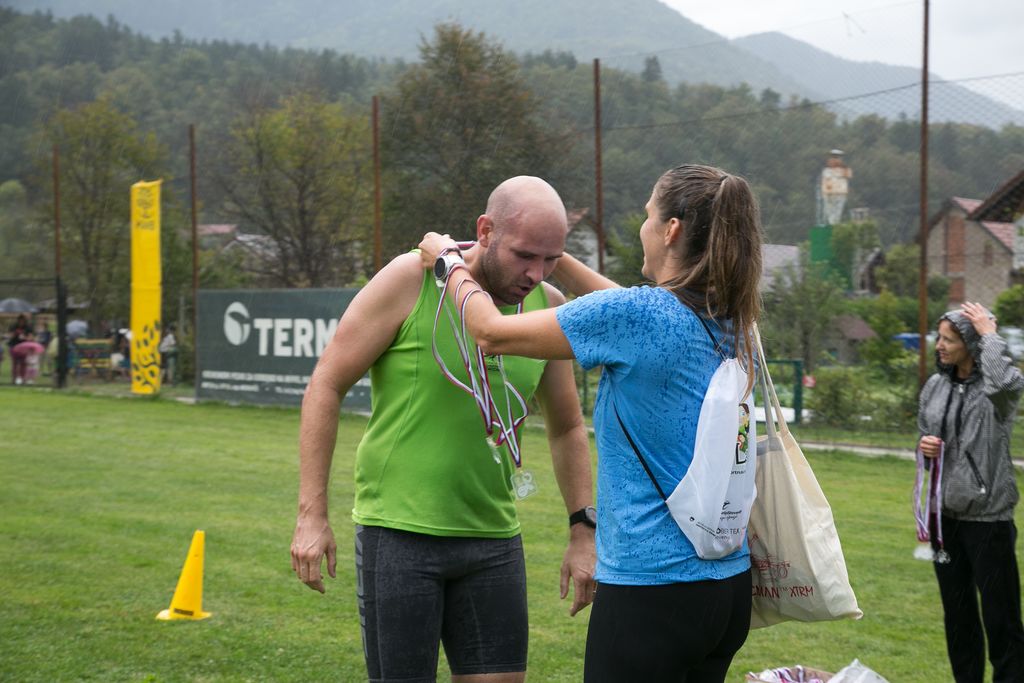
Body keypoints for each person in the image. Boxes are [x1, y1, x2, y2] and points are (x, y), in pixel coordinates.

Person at [419, 164, 762, 682]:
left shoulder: (641, 317)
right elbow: (621, 308)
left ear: (671, 230)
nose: (642, 228)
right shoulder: (730, 319)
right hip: (727, 588)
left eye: (647, 216)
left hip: (653, 591)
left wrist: (448, 262)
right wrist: (551, 256)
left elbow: (490, 332)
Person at [290, 176, 596, 683]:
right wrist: (311, 515)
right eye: (524, 255)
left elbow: (566, 428)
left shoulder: (548, 304)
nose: (534, 273)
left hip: (494, 540)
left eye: (550, 259)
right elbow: (327, 383)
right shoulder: (409, 279)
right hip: (400, 534)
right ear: (486, 230)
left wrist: (583, 530)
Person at [918, 303, 1024, 683]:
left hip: (988, 520)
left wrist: (990, 334)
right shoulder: (936, 386)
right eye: (939, 338)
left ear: (971, 344)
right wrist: (925, 447)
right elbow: (925, 435)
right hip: (944, 520)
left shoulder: (998, 394)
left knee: (1001, 618)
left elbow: (1007, 383)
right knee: (958, 616)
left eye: (949, 339)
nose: (940, 346)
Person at [7, 314, 32, 384]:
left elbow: (30, 337)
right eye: (20, 321)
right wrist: (14, 334)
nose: (21, 322)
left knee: (23, 363)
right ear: (18, 321)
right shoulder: (13, 326)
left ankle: (22, 378)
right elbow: (9, 336)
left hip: (24, 347)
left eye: (23, 321)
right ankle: (14, 378)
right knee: (15, 363)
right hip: (14, 346)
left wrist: (25, 337)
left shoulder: (28, 327)